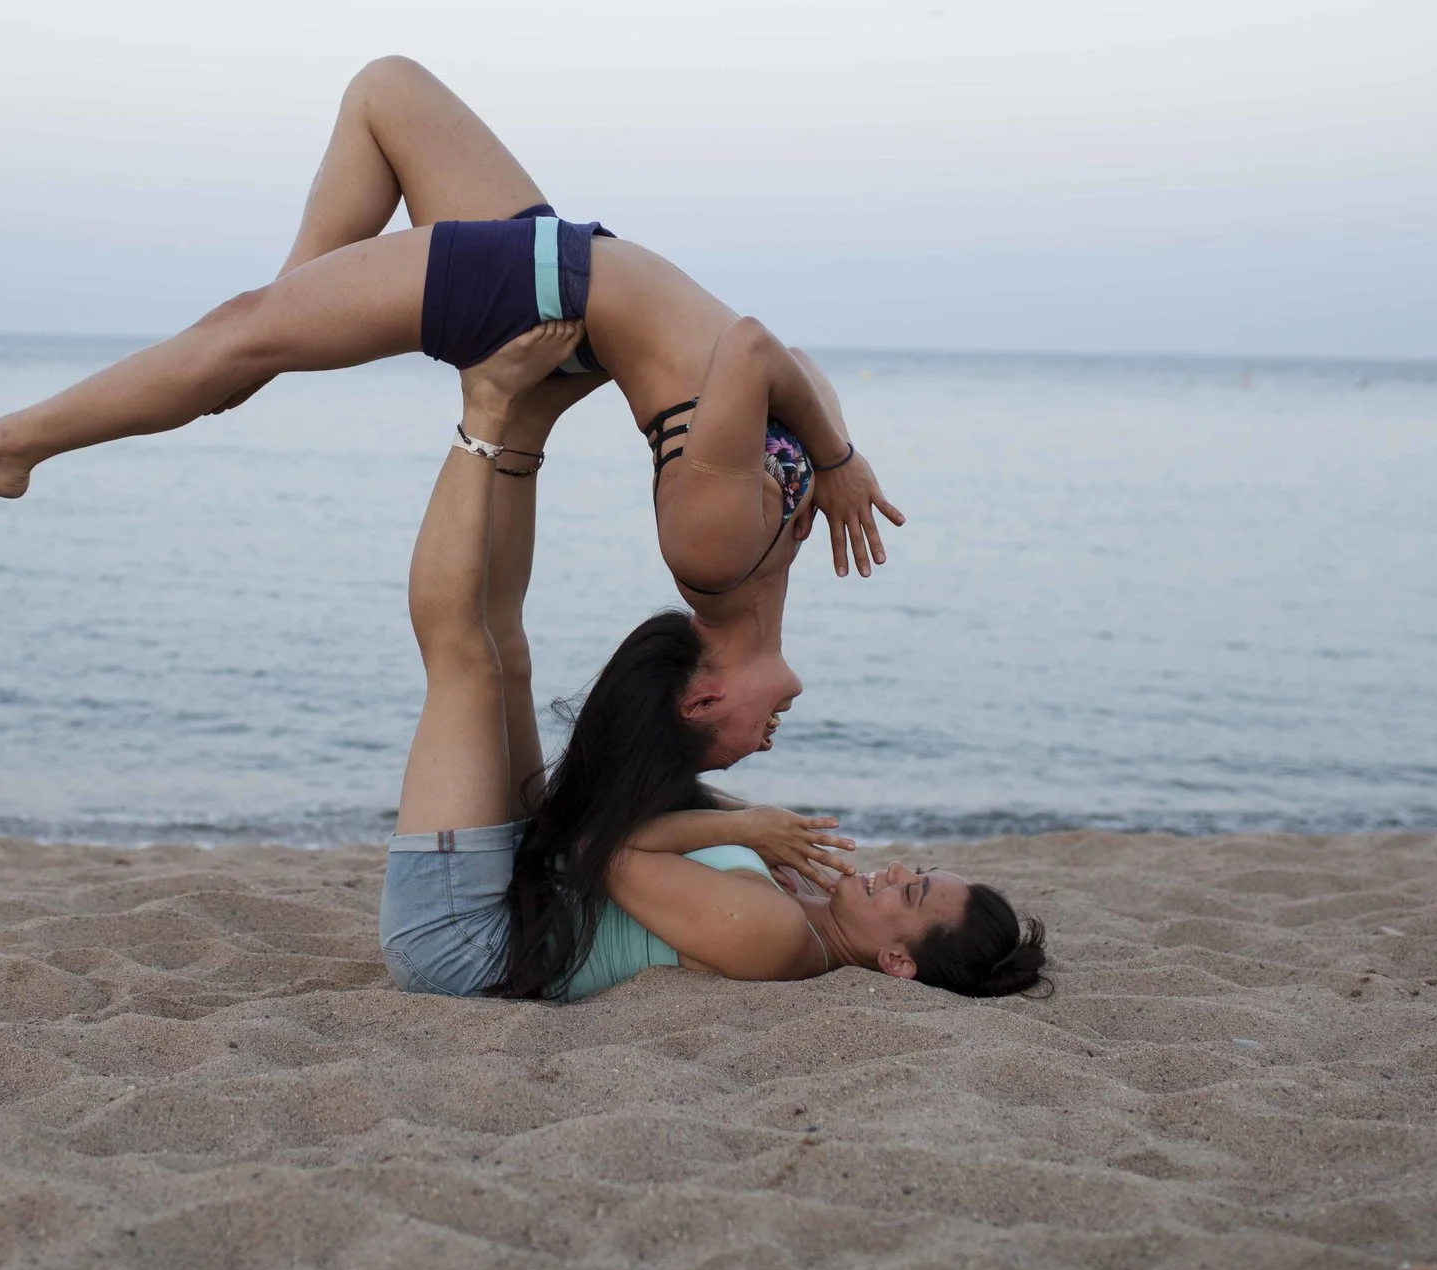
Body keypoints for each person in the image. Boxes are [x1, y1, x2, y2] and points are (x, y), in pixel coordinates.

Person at [0, 57, 905, 769]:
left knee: (249, 323)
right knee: (384, 92)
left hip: (541, 288)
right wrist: (833, 462)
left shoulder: (711, 551)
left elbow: (757, 347)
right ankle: (268, 334)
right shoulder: (761, 555)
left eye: (734, 747)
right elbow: (781, 357)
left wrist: (838, 453)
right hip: (560, 266)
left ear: (701, 698)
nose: (763, 745)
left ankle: (8, 445)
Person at [381, 320, 1048, 1003]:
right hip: (520, 889)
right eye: (918, 868)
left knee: (467, 659)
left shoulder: (778, 937)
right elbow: (658, 820)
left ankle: (486, 413)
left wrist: (743, 826)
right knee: (508, 649)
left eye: (913, 889)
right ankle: (524, 429)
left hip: (465, 946)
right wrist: (748, 819)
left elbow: (601, 853)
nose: (898, 867)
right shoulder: (806, 903)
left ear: (897, 959)